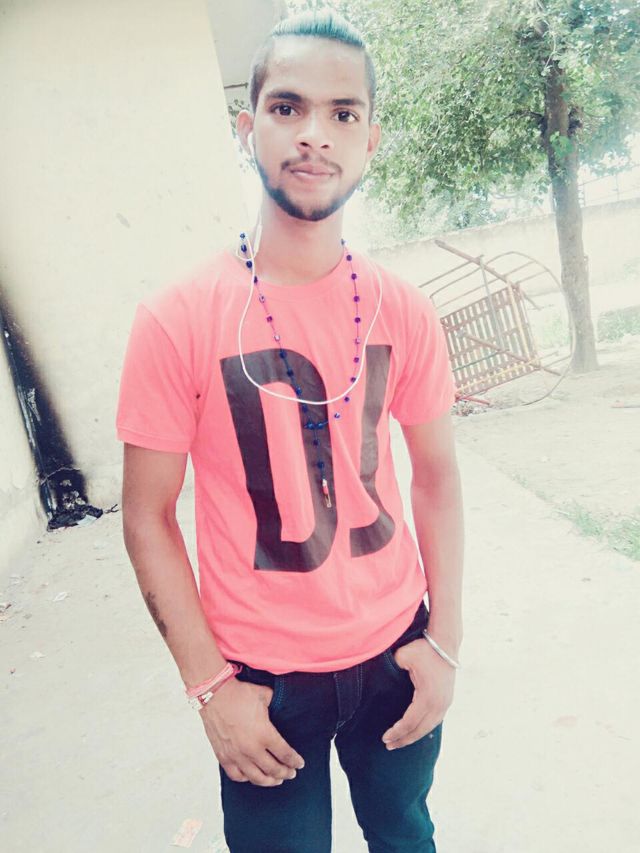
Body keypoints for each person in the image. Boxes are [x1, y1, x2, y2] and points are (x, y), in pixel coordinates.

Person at [116, 9, 464, 853]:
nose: (315, 133)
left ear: (370, 141)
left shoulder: (403, 308)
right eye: (287, 107)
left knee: (406, 835)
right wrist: (210, 686)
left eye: (343, 113)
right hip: (262, 683)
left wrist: (445, 642)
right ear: (248, 130)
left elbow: (436, 478)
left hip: (397, 653)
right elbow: (147, 514)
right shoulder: (176, 318)